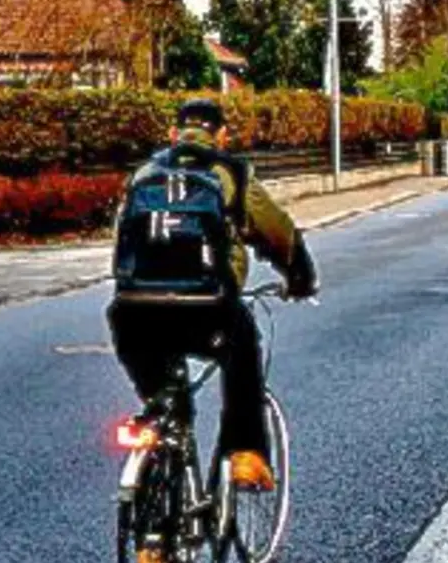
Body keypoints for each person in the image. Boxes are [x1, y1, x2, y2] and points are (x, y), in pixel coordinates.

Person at [107, 99, 319, 503]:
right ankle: (246, 453)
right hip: (207, 308)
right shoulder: (231, 173)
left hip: (132, 312)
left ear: (174, 134)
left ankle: (155, 527)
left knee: (165, 399)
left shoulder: (143, 174)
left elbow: (125, 243)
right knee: (242, 350)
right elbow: (279, 233)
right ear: (222, 136)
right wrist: (300, 278)